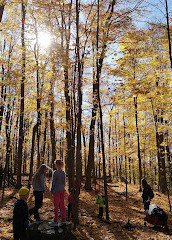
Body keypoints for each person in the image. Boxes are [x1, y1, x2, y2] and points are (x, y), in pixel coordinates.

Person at [50, 159, 68, 226]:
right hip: (62, 190)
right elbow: (64, 182)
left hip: (56, 190)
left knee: (56, 205)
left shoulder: (55, 172)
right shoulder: (63, 173)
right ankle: (64, 219)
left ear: (57, 165)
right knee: (62, 205)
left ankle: (55, 220)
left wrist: (52, 190)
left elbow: (53, 182)